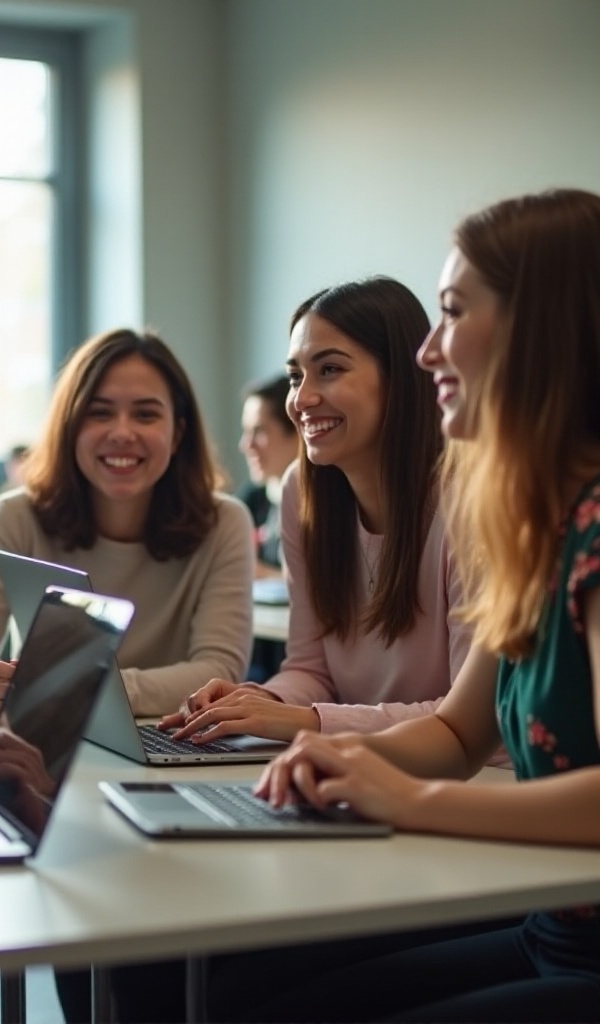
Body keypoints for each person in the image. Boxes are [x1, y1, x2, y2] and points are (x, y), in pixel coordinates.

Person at [211, 189, 600, 1022]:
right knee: (242, 990)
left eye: (453, 313)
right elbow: (463, 731)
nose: (430, 352)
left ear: (546, 329)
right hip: (556, 929)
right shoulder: (537, 522)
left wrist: (405, 795)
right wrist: (348, 764)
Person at [162, 276, 470, 748]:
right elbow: (310, 671)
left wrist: (311, 722)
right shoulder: (301, 491)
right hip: (350, 766)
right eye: (295, 376)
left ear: (401, 378)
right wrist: (259, 701)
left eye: (329, 369)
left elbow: (471, 723)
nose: (301, 399)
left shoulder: (469, 501)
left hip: (472, 783)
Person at [0, 326, 255, 722]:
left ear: (178, 432)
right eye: (99, 413)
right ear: (71, 426)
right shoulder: (16, 516)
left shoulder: (225, 523)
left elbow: (218, 671)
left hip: (171, 745)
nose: (122, 433)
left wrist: (82, 688)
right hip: (41, 748)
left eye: (146, 414)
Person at [237, 373, 297, 577]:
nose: (246, 445)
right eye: (246, 432)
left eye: (259, 431)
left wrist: (260, 573)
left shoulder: (326, 504)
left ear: (298, 433)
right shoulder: (251, 500)